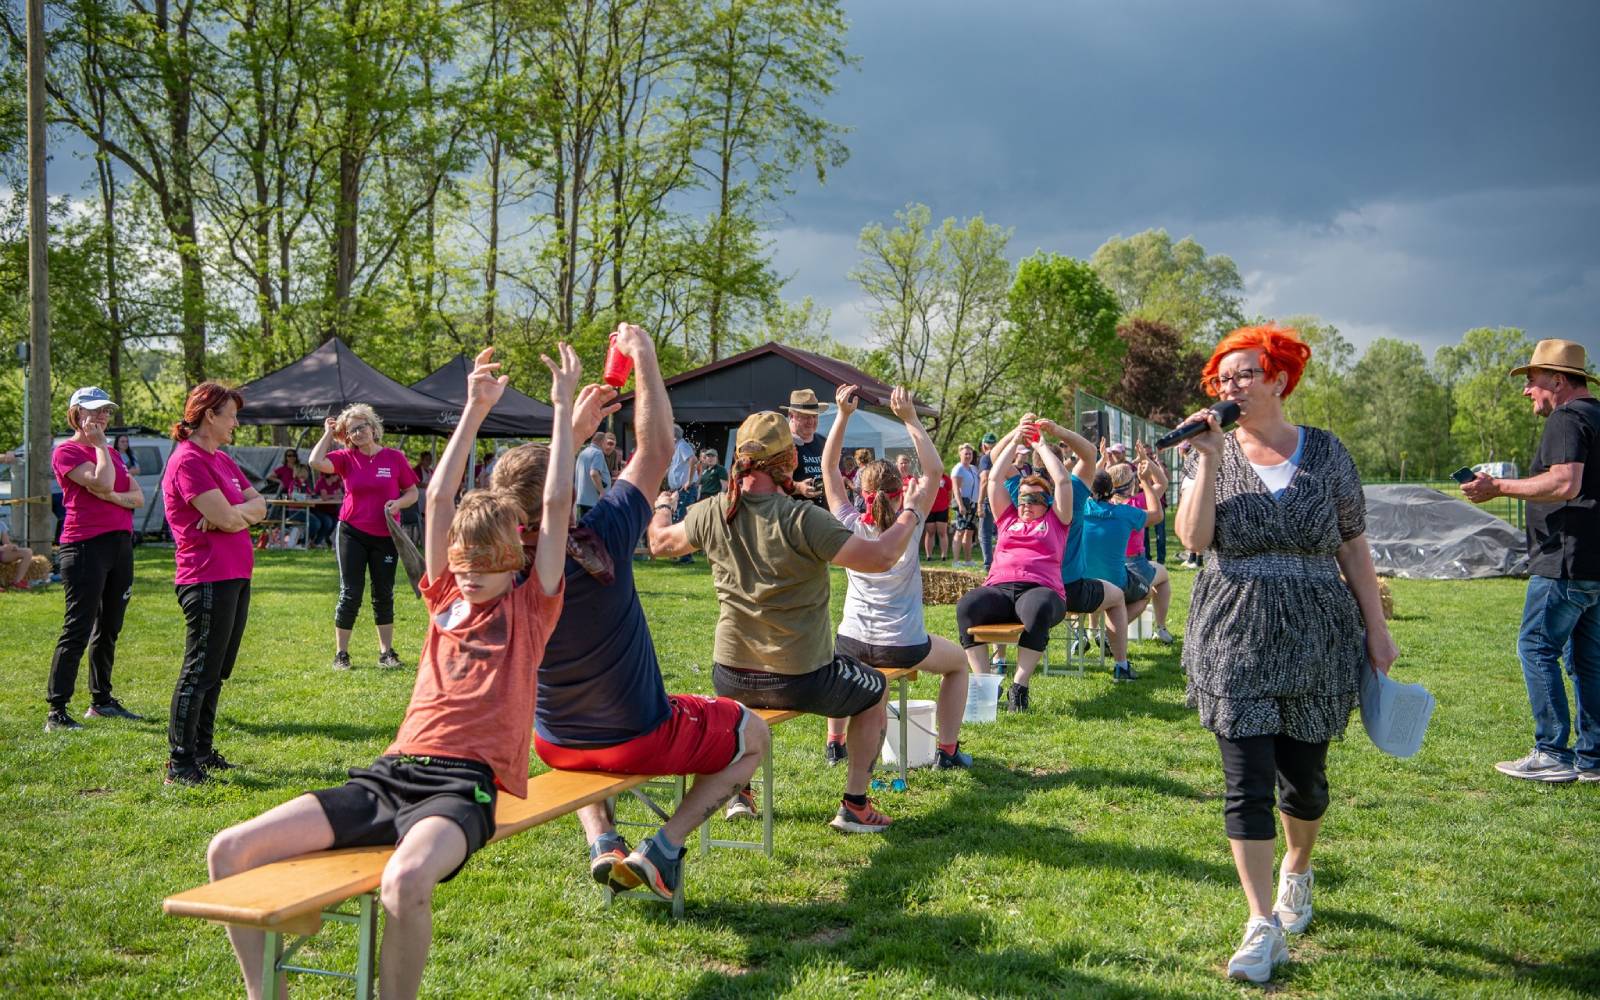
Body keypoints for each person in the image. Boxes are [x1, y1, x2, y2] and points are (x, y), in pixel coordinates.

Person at [205, 344, 575, 1000]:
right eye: (461, 558)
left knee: (404, 882)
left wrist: (562, 412)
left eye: (486, 560)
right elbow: (435, 499)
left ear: (516, 556)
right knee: (227, 851)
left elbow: (556, 501)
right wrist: (473, 408)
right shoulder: (444, 599)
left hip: (463, 788)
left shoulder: (531, 607)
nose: (468, 571)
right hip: (391, 773)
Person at [495, 325, 771, 901]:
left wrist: (571, 431)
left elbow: (540, 498)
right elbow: (657, 450)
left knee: (581, 745)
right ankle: (663, 850)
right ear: (564, 496)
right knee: (755, 734)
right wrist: (645, 360)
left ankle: (603, 841)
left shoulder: (490, 570)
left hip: (554, 742)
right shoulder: (605, 536)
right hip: (640, 735)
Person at [1174, 324, 1397, 984]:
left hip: (1317, 632)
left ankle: (1298, 868)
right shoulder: (1209, 450)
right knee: (1245, 783)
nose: (1230, 386)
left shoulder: (1326, 453)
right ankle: (1260, 923)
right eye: (1222, 378)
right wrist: (1208, 461)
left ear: (1278, 378)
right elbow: (1193, 538)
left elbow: (1353, 543)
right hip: (1231, 629)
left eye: (1244, 374)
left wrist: (1376, 625)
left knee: (1305, 780)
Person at [649, 410, 926, 833]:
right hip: (801, 677)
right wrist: (911, 511)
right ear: (790, 461)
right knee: (876, 690)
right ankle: (854, 804)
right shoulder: (803, 519)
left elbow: (659, 543)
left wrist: (664, 506)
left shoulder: (711, 512)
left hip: (731, 674)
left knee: (743, 704)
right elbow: (882, 557)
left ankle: (741, 793)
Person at [1462, 339, 1599, 783]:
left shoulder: (1566, 417)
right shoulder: (1597, 416)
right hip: (1595, 564)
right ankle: (1593, 758)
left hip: (1565, 561)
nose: (1527, 391)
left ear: (1557, 380)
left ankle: (1551, 752)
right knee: (1588, 660)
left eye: (1532, 380)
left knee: (1536, 647)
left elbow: (1564, 483)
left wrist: (1499, 488)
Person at [820, 384, 972, 770]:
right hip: (900, 645)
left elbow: (828, 469)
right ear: (899, 489)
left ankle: (835, 744)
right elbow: (935, 470)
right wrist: (910, 419)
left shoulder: (849, 524)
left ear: (861, 490)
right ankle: (948, 751)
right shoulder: (911, 522)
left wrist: (842, 416)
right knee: (958, 665)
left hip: (852, 641)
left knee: (842, 660)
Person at [163, 383, 268, 785]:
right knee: (199, 671)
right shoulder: (188, 461)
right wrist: (234, 515)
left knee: (217, 670)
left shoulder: (222, 460)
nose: (235, 423)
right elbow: (229, 518)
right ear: (210, 415)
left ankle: (203, 752)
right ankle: (180, 762)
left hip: (236, 575)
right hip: (206, 575)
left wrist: (234, 513)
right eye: (231, 416)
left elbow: (259, 506)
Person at [955, 418, 1076, 711]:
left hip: (1041, 589)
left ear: (1046, 502)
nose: (1025, 504)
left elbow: (1061, 480)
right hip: (999, 588)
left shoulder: (1056, 521)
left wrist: (1039, 445)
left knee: (1038, 609)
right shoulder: (1007, 517)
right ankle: (985, 684)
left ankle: (1019, 687)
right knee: (967, 606)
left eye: (1033, 499)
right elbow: (994, 479)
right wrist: (1014, 440)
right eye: (1022, 498)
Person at [45, 386, 146, 731]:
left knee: (110, 627)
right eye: (94, 410)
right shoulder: (68, 452)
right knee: (78, 627)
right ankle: (56, 711)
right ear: (76, 414)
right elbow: (102, 482)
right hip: (85, 546)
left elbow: (137, 498)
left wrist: (110, 494)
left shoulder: (113, 456)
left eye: (106, 411)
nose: (102, 416)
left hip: (119, 544)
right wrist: (102, 447)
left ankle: (101, 701)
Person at [309, 404, 422, 671]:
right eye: (352, 431)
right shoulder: (346, 457)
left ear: (373, 428)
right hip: (352, 532)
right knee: (351, 593)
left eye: (362, 427)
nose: (358, 433)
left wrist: (398, 503)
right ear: (347, 436)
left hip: (386, 534)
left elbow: (412, 493)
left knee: (383, 593)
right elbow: (315, 462)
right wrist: (328, 433)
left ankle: (386, 653)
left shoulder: (394, 458)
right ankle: (342, 654)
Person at [1080, 462, 1165, 680]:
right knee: (1147, 593)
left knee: (1113, 597)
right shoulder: (1126, 513)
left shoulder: (1079, 509)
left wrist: (1096, 466)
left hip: (1079, 585)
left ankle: (1102, 635)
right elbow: (1157, 515)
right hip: (1116, 583)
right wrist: (1145, 480)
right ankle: (1120, 660)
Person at [1123, 443, 1175, 643]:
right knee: (1162, 576)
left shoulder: (1098, 506)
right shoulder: (1138, 503)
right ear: (1132, 483)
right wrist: (1146, 460)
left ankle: (1095, 630)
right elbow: (1162, 482)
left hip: (1105, 568)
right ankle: (1160, 628)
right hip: (1134, 567)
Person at [782, 388, 830, 504]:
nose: (811, 421)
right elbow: (773, 484)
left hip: (825, 515)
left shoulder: (824, 442)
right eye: (805, 416)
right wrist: (798, 487)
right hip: (796, 516)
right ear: (791, 416)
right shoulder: (783, 443)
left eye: (814, 416)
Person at [951, 443, 980, 568]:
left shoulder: (973, 468)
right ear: (960, 454)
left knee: (969, 532)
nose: (968, 456)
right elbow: (956, 489)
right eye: (966, 453)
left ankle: (968, 560)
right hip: (963, 502)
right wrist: (960, 505)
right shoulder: (958, 469)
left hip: (974, 503)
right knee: (960, 531)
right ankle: (956, 561)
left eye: (970, 454)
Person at [574, 431, 611, 520]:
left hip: (582, 498)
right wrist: (602, 492)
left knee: (583, 528)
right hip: (593, 500)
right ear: (602, 442)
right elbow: (594, 473)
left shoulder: (583, 452)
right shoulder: (598, 453)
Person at [976, 432, 999, 569]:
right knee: (1000, 532)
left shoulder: (985, 458)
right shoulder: (1000, 457)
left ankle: (988, 564)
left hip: (988, 499)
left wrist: (979, 503)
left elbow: (984, 479)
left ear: (983, 445)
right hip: (1000, 497)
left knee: (984, 533)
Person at [923, 466, 953, 561]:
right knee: (930, 532)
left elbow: (950, 493)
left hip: (942, 508)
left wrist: (947, 504)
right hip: (929, 509)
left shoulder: (946, 479)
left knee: (942, 532)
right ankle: (929, 556)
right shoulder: (927, 478)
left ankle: (944, 556)